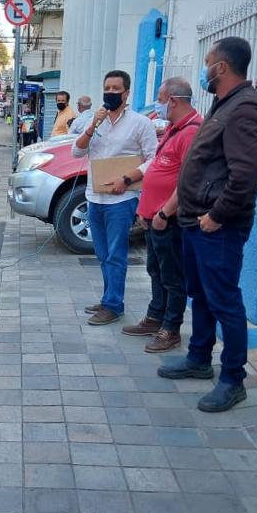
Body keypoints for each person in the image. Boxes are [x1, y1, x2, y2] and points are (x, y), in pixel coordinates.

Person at [158, 37, 257, 413]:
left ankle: (233, 379)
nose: (204, 70)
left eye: (208, 63)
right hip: (195, 222)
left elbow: (248, 172)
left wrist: (217, 214)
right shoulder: (224, 104)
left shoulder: (245, 108)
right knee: (201, 295)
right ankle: (199, 359)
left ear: (221, 67)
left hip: (218, 226)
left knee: (224, 301)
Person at [123, 78, 203, 353]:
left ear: (173, 101)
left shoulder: (191, 132)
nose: (157, 104)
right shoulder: (173, 129)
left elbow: (188, 181)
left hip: (168, 219)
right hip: (154, 218)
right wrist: (146, 211)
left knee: (172, 276)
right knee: (156, 270)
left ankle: (170, 329)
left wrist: (164, 213)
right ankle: (155, 317)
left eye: (160, 98)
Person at [72, 70, 157, 326]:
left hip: (122, 199)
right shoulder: (95, 120)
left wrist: (128, 178)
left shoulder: (140, 123)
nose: (110, 93)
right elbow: (77, 152)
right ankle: (108, 298)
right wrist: (92, 127)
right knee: (102, 253)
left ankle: (113, 305)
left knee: (116, 254)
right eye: (106, 88)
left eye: (115, 89)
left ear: (126, 93)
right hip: (94, 197)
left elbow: (153, 159)